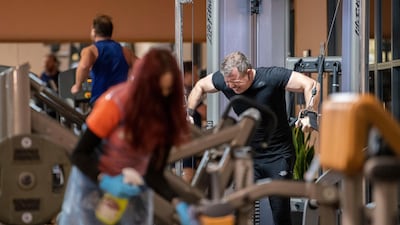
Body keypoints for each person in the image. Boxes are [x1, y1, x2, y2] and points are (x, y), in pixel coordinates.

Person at [58, 48, 191, 225]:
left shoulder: (164, 116)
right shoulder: (115, 103)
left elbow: (153, 173)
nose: (161, 96)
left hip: (131, 189)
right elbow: (79, 154)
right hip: (92, 187)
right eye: (157, 90)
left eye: (167, 90)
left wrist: (178, 202)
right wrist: (104, 180)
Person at [186, 51, 320, 225]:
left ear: (249, 72)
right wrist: (189, 113)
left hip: (278, 154)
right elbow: (199, 87)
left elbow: (310, 84)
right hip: (249, 155)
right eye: (229, 84)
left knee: (280, 212)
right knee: (239, 206)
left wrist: (310, 113)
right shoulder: (225, 81)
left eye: (236, 83)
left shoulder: (272, 76)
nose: (232, 88)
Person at [70, 14, 137, 105]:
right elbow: (142, 66)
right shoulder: (126, 52)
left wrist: (77, 86)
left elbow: (84, 66)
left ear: (93, 31)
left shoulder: (91, 50)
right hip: (121, 102)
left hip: (102, 101)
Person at [182, 61, 206, 183]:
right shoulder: (189, 93)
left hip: (192, 140)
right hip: (187, 140)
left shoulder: (186, 92)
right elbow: (205, 113)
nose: (197, 76)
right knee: (188, 173)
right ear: (186, 75)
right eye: (194, 73)